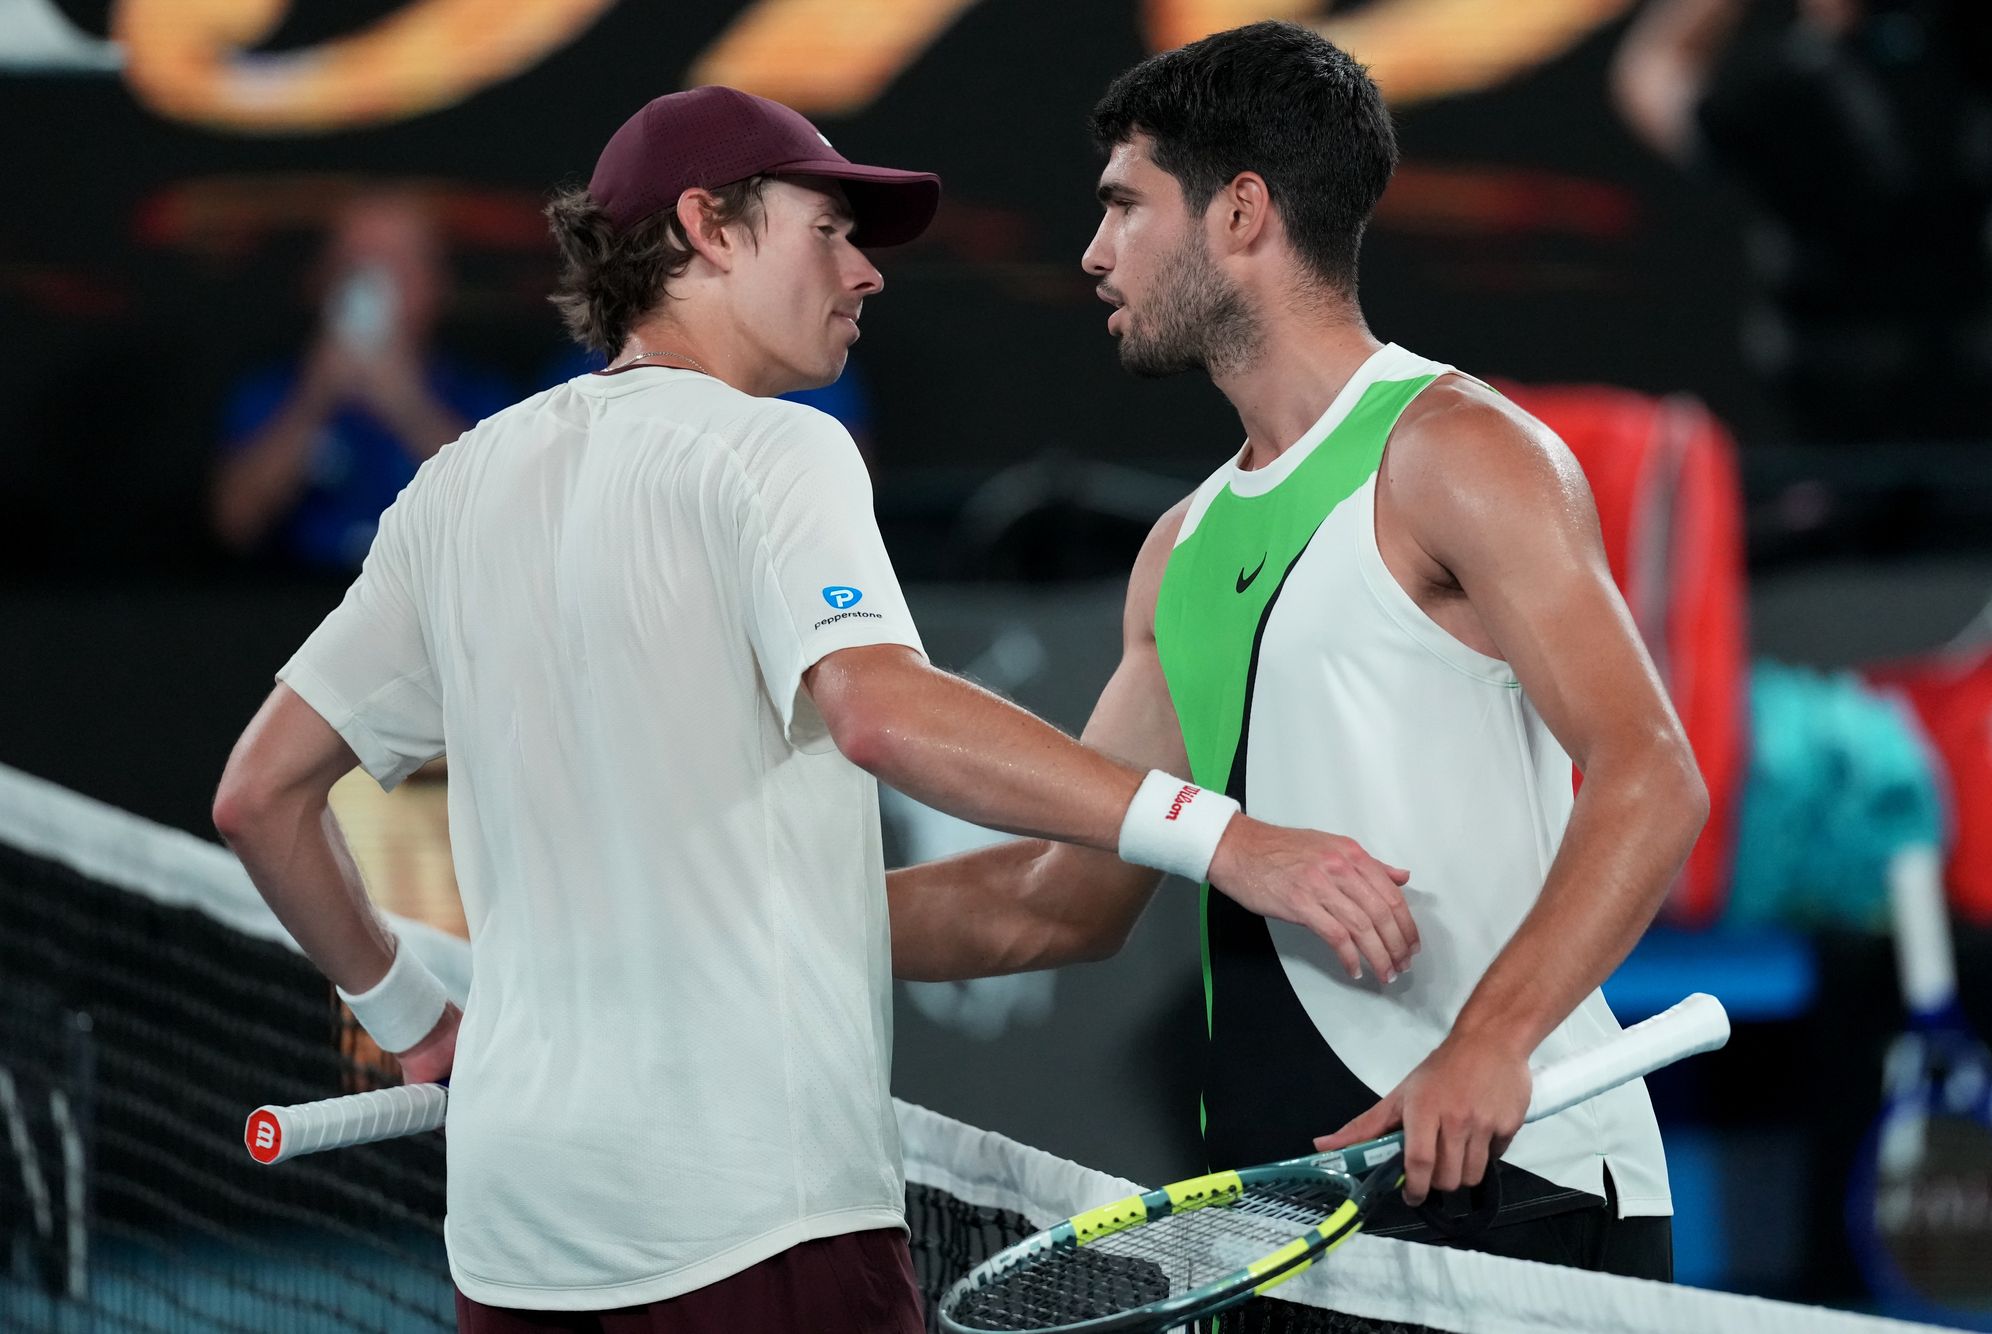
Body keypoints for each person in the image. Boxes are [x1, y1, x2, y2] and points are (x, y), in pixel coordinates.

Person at [210, 85, 1416, 1332]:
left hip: (512, 1248)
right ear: (708, 228)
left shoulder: (451, 490)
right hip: (752, 1226)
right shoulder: (776, 449)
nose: (864, 274)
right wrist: (1226, 837)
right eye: (826, 232)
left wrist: (408, 1012)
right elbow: (881, 715)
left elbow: (260, 796)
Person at [887, 22, 1708, 1279]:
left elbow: (1652, 771)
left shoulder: (1456, 451)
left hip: (1515, 1180)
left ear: (1240, 213)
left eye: (1123, 206)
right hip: (1277, 1217)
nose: (1094, 253)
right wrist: (754, 919)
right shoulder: (1179, 549)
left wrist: (1486, 1043)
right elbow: (1052, 899)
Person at [1612, 0, 1992, 444]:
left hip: (1837, 420)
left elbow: (1654, 74)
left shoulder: (1782, 86)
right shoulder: (1968, 66)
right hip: (1939, 413)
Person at [209, 194, 513, 570]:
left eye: (397, 265)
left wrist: (405, 403)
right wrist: (313, 400)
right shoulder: (272, 389)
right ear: (320, 282)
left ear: (436, 285)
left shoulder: (482, 396)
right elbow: (235, 522)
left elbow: (505, 520)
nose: (375, 285)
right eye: (355, 265)